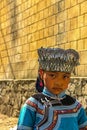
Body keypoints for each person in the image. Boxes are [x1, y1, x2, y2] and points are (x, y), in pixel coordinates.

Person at [16, 47, 87, 130]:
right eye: (52, 75)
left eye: (65, 76)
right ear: (41, 74)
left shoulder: (76, 106)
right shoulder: (33, 105)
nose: (59, 82)